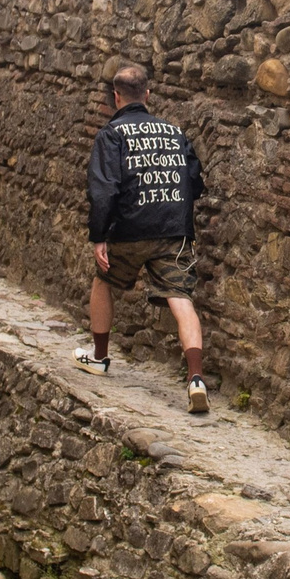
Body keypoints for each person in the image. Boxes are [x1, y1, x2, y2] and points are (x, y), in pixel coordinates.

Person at [74, 62, 210, 413]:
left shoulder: (112, 135)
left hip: (129, 229)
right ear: (148, 95)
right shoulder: (175, 133)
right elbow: (195, 180)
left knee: (103, 282)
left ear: (116, 96)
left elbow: (104, 190)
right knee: (181, 298)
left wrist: (99, 236)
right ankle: (196, 378)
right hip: (173, 228)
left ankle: (100, 357)